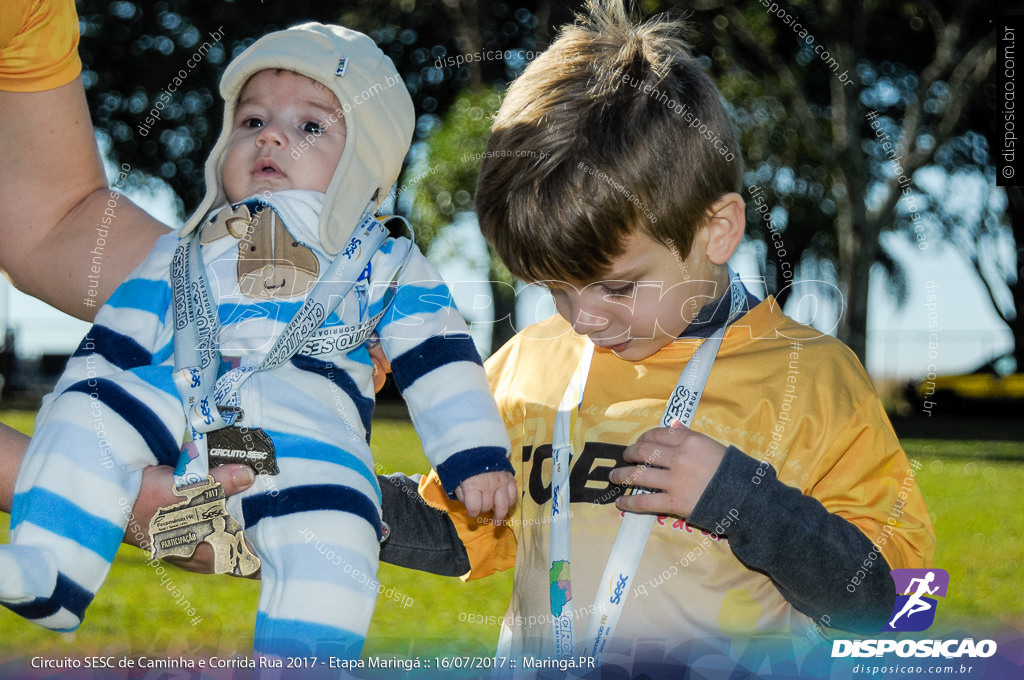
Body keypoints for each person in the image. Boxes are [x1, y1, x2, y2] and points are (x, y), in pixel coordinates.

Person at [415, 0, 935, 669]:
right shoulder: (528, 363)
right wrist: (316, 497)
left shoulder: (816, 379)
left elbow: (901, 607)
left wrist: (741, 502)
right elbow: (463, 529)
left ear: (715, 231)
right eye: (555, 288)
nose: (584, 319)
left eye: (618, 286)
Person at [0, 21, 515, 661]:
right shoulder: (182, 250)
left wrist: (474, 454)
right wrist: (82, 398)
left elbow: (439, 352)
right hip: (181, 406)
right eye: (251, 122)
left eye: (311, 127)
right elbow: (121, 334)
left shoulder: (382, 258)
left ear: (364, 167)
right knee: (86, 417)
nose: (271, 135)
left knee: (335, 531)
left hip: (309, 429)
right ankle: (50, 570)